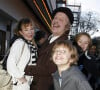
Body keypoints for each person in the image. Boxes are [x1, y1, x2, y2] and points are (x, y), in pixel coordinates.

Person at [25, 7, 74, 90]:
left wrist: (24, 68)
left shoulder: (66, 44)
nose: (56, 21)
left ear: (67, 27)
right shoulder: (49, 39)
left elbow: (50, 69)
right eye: (55, 18)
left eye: (61, 20)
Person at [7, 18, 38, 90]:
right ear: (21, 32)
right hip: (20, 84)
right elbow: (10, 65)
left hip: (26, 82)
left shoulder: (31, 44)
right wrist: (22, 79)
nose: (30, 32)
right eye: (26, 30)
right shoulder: (20, 43)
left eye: (32, 29)